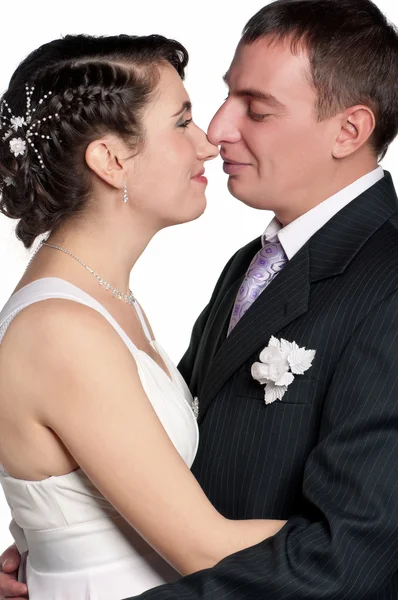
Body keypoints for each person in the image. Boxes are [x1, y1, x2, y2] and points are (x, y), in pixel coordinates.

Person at [3, 0, 398, 598]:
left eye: (257, 110)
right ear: (109, 160)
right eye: (188, 116)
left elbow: (349, 555)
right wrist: (66, 540)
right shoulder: (248, 267)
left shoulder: (386, 280)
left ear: (350, 130)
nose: (215, 133)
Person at [0, 33, 287, 600]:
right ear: (109, 160)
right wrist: (365, 535)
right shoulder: (63, 330)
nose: (207, 144)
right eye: (181, 122)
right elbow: (205, 548)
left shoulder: (106, 298)